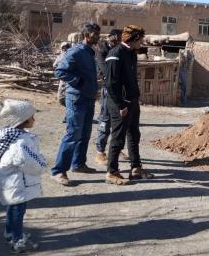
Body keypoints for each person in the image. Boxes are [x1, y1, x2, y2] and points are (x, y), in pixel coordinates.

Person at [0, 99, 46, 254]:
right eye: (32, 117)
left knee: (12, 208)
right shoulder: (21, 141)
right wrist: (42, 164)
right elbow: (26, 161)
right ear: (23, 120)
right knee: (17, 211)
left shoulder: (9, 134)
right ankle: (18, 241)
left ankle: (10, 234)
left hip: (11, 181)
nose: (34, 119)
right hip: (17, 182)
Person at [51, 22, 100, 186]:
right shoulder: (76, 51)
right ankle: (59, 171)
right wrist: (78, 82)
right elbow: (60, 70)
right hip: (77, 98)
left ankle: (78, 164)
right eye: (95, 34)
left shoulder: (90, 52)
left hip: (88, 98)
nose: (98, 37)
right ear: (87, 35)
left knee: (85, 133)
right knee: (73, 134)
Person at [105, 25, 153, 185]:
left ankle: (136, 168)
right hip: (120, 104)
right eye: (141, 39)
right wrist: (120, 105)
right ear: (134, 39)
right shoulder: (115, 54)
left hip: (132, 101)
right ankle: (112, 172)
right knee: (118, 138)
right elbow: (111, 84)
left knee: (134, 134)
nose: (142, 42)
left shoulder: (131, 53)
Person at [94, 29, 128, 165]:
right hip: (108, 91)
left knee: (119, 121)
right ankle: (100, 151)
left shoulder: (122, 51)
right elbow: (106, 72)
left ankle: (116, 149)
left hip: (121, 91)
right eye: (119, 39)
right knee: (105, 120)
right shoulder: (102, 52)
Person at [54, 42, 71, 123]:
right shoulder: (61, 56)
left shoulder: (72, 55)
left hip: (70, 80)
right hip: (63, 80)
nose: (65, 48)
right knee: (61, 98)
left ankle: (68, 116)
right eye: (63, 47)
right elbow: (55, 65)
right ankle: (69, 114)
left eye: (66, 47)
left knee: (68, 98)